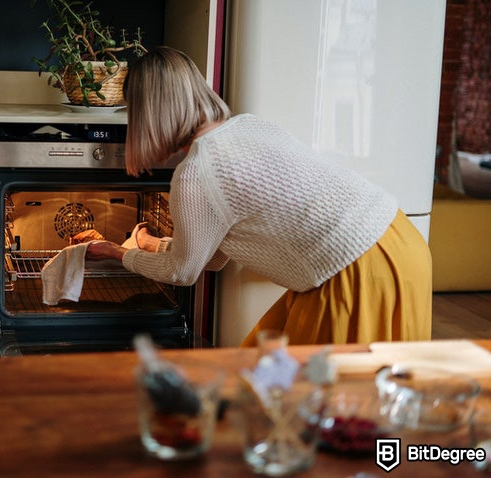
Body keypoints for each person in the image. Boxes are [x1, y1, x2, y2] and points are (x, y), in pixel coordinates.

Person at [85, 46, 432, 346]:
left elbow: (182, 273)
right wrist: (147, 244)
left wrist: (117, 253)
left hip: (356, 274)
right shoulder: (250, 126)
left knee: (325, 401)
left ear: (149, 113)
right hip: (399, 243)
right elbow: (214, 255)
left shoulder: (196, 173)